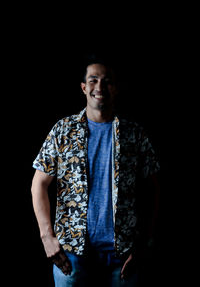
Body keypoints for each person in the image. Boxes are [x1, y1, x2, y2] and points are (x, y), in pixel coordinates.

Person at [31, 54, 160, 286]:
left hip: (123, 256)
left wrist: (145, 243)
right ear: (83, 87)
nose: (100, 86)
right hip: (71, 254)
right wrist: (47, 237)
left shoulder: (134, 134)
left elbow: (152, 188)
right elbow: (38, 184)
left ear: (116, 88)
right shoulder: (63, 130)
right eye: (93, 80)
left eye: (107, 80)